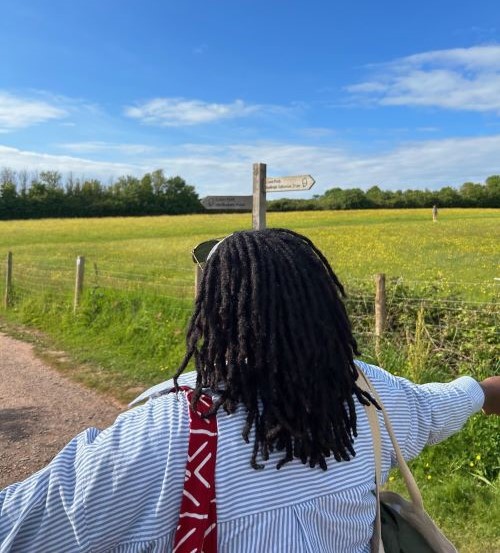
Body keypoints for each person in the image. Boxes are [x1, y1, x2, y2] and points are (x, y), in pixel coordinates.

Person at [0, 228, 499, 553]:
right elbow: (444, 405)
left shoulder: (165, 435)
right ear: (323, 311)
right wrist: (487, 391)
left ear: (215, 313)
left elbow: (19, 528)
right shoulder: (367, 397)